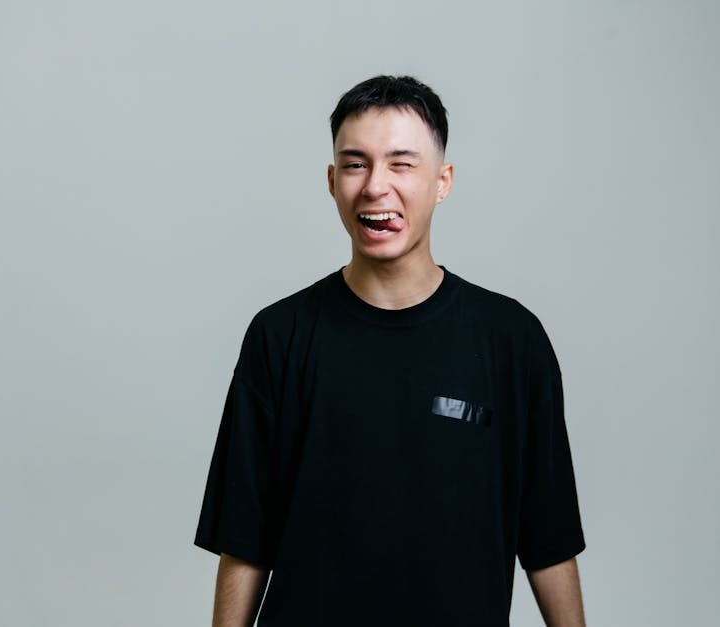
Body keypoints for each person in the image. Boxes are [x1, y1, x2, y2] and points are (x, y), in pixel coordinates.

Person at [194, 75, 586, 627]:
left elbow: (549, 540)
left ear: (442, 180)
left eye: (402, 163)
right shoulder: (279, 337)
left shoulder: (512, 341)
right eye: (355, 164)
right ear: (332, 181)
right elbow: (245, 538)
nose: (376, 185)